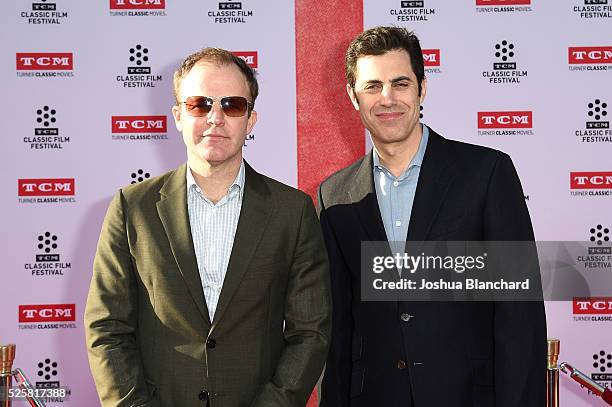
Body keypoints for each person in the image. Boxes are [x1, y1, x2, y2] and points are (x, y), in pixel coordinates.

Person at [85, 47, 331, 407]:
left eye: (231, 105)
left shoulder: (291, 212)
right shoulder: (132, 208)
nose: (216, 118)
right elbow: (106, 329)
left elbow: (310, 332)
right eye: (200, 104)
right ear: (178, 116)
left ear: (251, 120)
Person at [318, 26, 546, 407]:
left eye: (400, 83)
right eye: (372, 86)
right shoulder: (334, 195)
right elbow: (338, 328)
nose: (387, 98)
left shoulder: (486, 173)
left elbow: (519, 315)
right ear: (352, 96)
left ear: (422, 88)